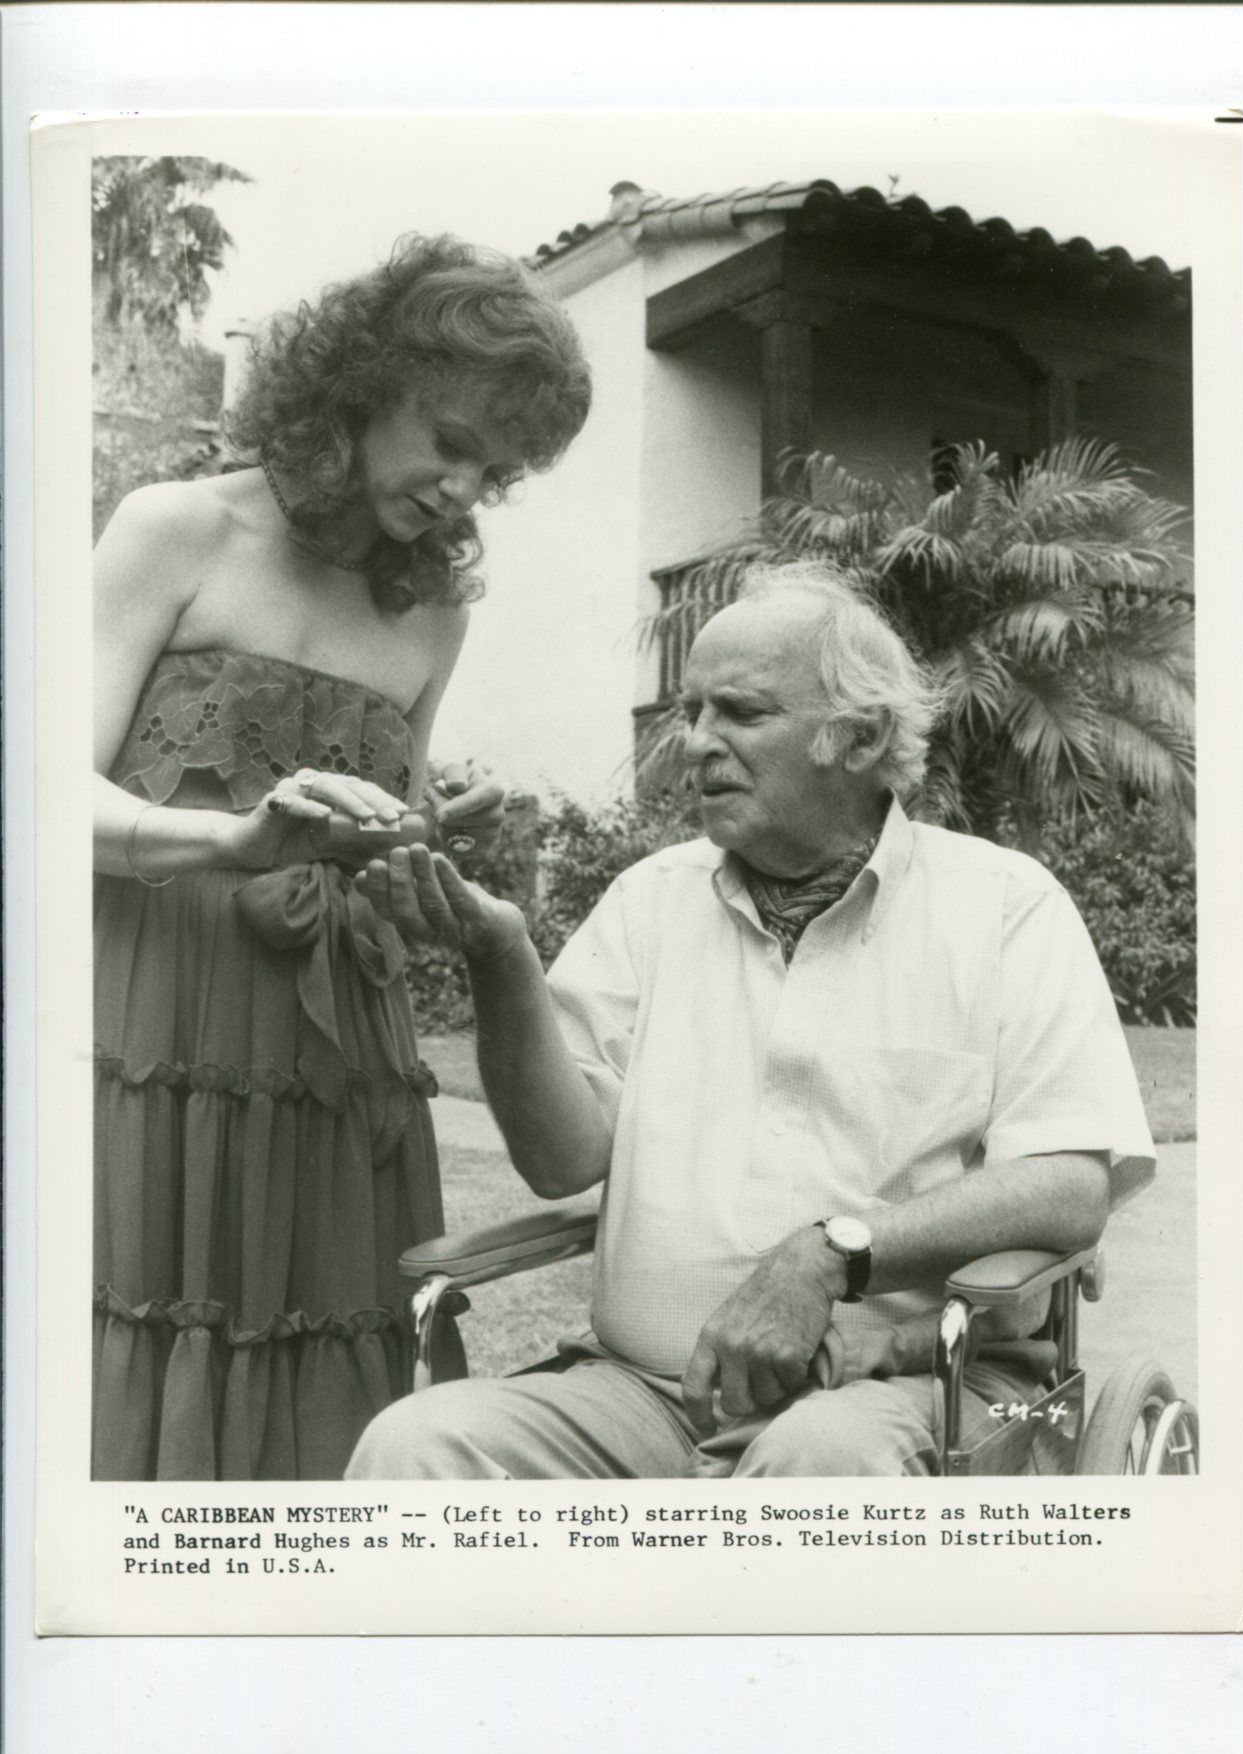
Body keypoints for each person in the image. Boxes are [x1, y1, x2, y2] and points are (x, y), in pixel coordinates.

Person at [346, 560, 1154, 1480]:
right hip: (646, 1391)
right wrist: (500, 960)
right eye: (692, 711)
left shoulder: (1003, 906)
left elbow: (1067, 1187)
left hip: (911, 1382)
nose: (695, 742)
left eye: (739, 712)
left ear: (858, 738)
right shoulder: (648, 900)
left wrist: (829, 1255)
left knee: (820, 1457)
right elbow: (560, 1159)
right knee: (416, 1445)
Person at [93, 233, 591, 1480]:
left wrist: (429, 829)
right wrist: (231, 837)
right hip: (154, 1034)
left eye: (495, 470)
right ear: (360, 386)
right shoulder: (175, 529)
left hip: (340, 1066)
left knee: (329, 1366)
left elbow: (371, 840)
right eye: (449, 440)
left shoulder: (436, 609)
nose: (463, 488)